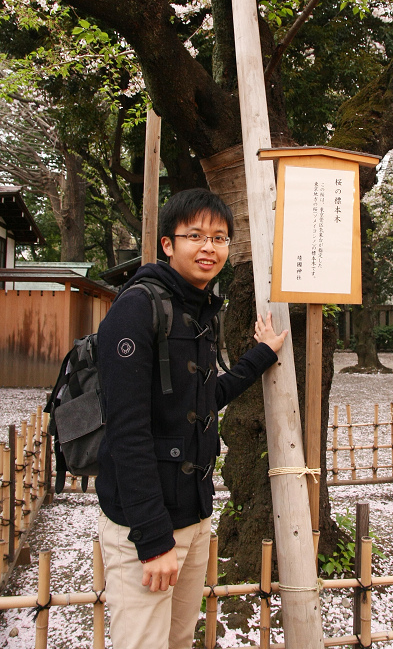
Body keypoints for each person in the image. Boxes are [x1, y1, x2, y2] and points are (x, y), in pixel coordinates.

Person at [95, 188, 288, 649]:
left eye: (220, 238)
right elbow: (126, 430)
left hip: (195, 516)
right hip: (147, 527)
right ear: (168, 243)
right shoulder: (139, 307)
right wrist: (153, 538)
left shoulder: (197, 309)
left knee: (180, 640)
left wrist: (259, 357)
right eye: (195, 235)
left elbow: (205, 397)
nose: (209, 248)